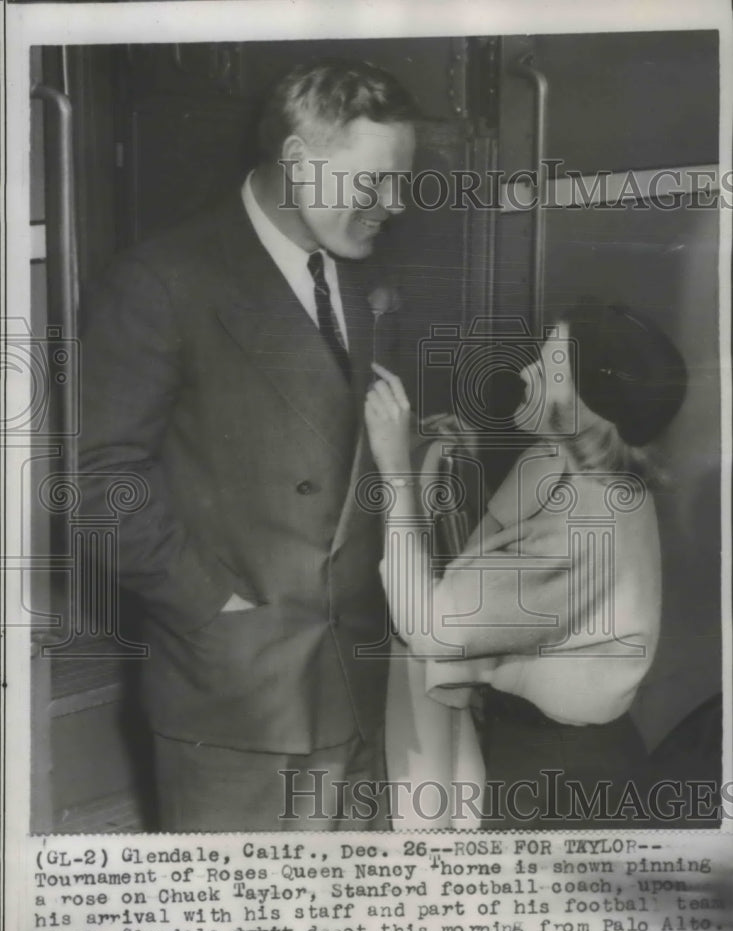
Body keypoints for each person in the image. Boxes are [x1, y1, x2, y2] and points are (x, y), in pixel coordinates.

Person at [79, 58, 418, 831]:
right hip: (240, 699)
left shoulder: (361, 277)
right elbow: (98, 483)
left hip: (356, 685)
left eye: (401, 181)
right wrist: (215, 606)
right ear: (298, 164)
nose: (392, 205)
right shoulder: (162, 280)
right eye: (374, 182)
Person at [363, 299, 687, 829]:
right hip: (573, 760)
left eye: (549, 365)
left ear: (587, 402)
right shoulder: (598, 480)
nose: (527, 371)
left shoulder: (584, 521)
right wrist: (463, 463)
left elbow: (428, 627)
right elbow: (513, 568)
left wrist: (395, 470)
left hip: (557, 776)